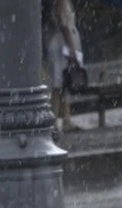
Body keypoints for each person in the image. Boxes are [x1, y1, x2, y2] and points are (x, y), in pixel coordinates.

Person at [44, 0, 83, 132]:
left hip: (62, 44)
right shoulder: (61, 2)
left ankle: (65, 118)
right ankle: (55, 119)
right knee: (58, 84)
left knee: (63, 84)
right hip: (62, 46)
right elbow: (64, 25)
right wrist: (71, 47)